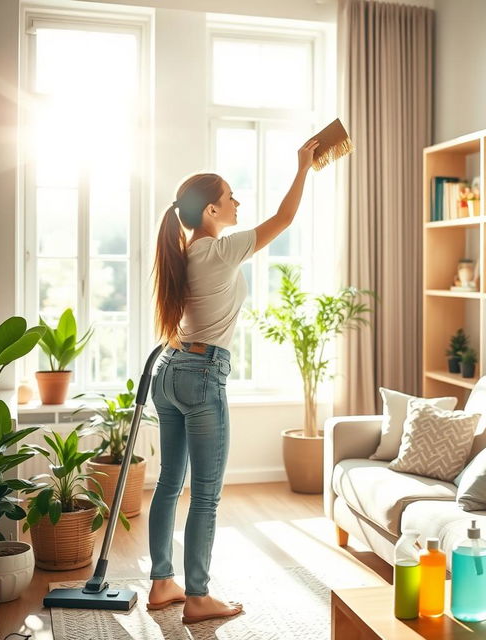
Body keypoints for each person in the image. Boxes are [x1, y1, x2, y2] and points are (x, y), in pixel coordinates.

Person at [147, 138, 319, 625]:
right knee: (205, 493)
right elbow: (283, 221)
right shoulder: (220, 251)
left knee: (168, 484)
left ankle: (163, 583)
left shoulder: (181, 254)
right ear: (210, 210)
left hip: (170, 371)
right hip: (202, 376)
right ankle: (198, 596)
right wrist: (303, 167)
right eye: (231, 196)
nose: (238, 203)